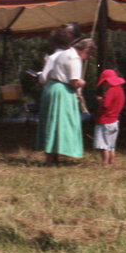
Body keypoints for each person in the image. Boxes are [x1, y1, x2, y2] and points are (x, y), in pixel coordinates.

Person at [36, 37, 96, 165]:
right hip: (62, 92)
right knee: (62, 124)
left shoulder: (63, 53)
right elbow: (74, 82)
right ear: (84, 50)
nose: (86, 59)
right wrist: (83, 83)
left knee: (52, 124)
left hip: (51, 88)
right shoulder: (74, 58)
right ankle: (52, 158)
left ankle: (51, 157)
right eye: (88, 55)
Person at [94, 68, 126, 167]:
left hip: (105, 121)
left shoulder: (111, 91)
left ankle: (104, 163)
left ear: (107, 81)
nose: (104, 85)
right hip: (115, 121)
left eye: (104, 83)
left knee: (104, 145)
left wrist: (100, 100)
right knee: (111, 146)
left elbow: (106, 104)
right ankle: (112, 162)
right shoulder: (120, 90)